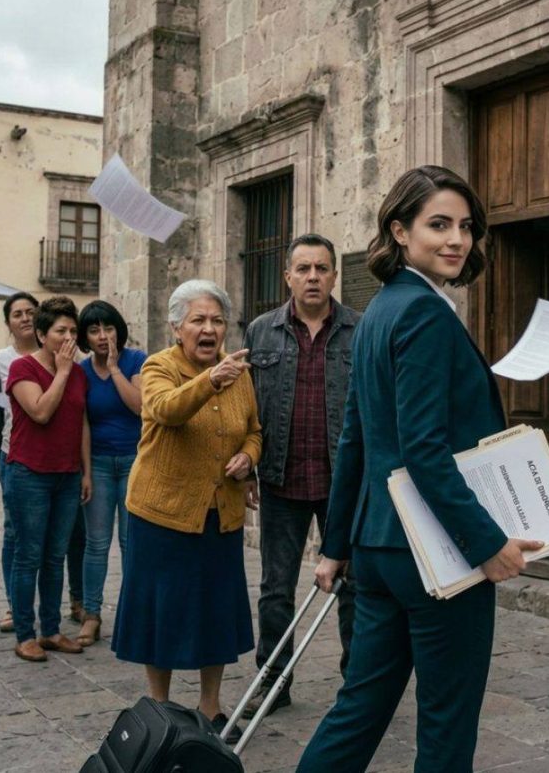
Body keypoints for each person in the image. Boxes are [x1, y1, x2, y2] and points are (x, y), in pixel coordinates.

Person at [296, 166, 541, 773]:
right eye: (439, 225)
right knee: (445, 725)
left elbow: (354, 438)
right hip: (437, 555)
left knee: (360, 708)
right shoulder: (426, 315)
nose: (457, 239)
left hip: (379, 549)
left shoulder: (379, 310)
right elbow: (422, 452)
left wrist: (338, 545)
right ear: (400, 231)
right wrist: (488, 543)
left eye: (465, 226)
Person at [112, 280, 261, 744]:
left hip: (221, 513)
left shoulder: (240, 372)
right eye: (198, 320)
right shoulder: (159, 366)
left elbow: (254, 430)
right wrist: (208, 380)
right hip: (163, 514)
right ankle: (158, 707)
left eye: (217, 320)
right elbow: (164, 410)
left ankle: (211, 706)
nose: (209, 328)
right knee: (162, 612)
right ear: (177, 327)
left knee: (215, 610)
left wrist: (249, 457)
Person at [243, 234, 360, 718]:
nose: (313, 276)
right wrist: (246, 462)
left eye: (322, 268)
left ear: (334, 276)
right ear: (287, 276)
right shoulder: (261, 331)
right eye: (304, 268)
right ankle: (274, 682)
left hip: (344, 482)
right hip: (280, 480)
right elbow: (244, 406)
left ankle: (359, 686)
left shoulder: (362, 329)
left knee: (354, 587)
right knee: (275, 587)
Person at [5, 296, 91, 661]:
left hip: (67, 475)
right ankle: (26, 634)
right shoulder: (23, 369)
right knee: (29, 556)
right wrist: (62, 371)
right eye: (60, 330)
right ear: (42, 334)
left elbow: (82, 422)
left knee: (56, 557)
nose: (69, 337)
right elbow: (40, 412)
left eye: (73, 330)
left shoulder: (79, 372)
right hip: (28, 474)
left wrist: (85, 471)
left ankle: (52, 630)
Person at [76, 300, 146, 646]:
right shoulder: (82, 371)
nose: (103, 336)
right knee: (97, 543)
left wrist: (116, 369)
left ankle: (132, 615)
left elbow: (140, 406)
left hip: (135, 462)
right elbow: (83, 424)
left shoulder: (136, 360)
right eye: (94, 330)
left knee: (132, 542)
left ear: (119, 329)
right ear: (85, 337)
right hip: (100, 464)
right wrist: (86, 472)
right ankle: (91, 615)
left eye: (108, 328)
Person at [0, 292, 39, 634]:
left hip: (52, 453)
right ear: (8, 322)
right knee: (14, 532)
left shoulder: (52, 352)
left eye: (30, 312)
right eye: (17, 314)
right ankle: (13, 605)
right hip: (14, 450)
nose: (25, 318)